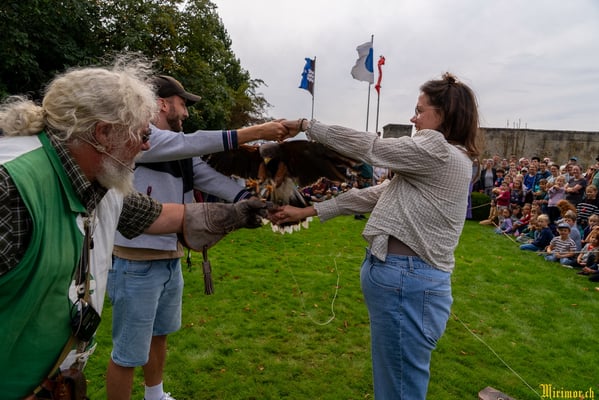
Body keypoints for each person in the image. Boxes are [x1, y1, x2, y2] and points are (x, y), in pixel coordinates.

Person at [0, 59, 268, 400]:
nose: (146, 147)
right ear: (103, 133)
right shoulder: (9, 186)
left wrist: (235, 214)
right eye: (143, 135)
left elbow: (154, 215)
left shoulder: (99, 182)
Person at [271, 72, 481, 399]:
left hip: (408, 282)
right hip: (408, 281)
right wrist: (308, 211)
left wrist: (306, 126)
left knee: (399, 390)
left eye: (420, 110)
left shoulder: (436, 148)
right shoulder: (446, 158)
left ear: (444, 115)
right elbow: (375, 195)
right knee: (396, 383)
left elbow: (371, 147)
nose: (413, 118)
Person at [106, 75, 287, 400]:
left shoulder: (179, 148)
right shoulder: (139, 138)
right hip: (135, 262)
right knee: (127, 352)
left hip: (170, 256)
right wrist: (257, 131)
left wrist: (255, 202)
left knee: (159, 335)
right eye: (183, 103)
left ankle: (154, 396)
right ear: (162, 104)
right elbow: (192, 143)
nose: (187, 113)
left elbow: (211, 179)